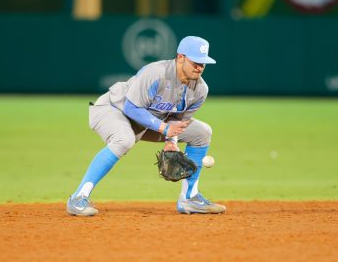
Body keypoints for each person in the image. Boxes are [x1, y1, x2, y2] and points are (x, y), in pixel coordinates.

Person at [66, 35, 225, 216]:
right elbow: (131, 107)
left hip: (148, 123)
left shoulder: (200, 90)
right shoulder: (156, 73)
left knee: (202, 133)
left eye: (203, 64)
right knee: (124, 139)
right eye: (195, 62)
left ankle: (190, 198)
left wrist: (171, 141)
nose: (199, 68)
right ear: (180, 57)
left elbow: (177, 121)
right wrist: (164, 129)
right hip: (113, 109)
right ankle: (78, 198)